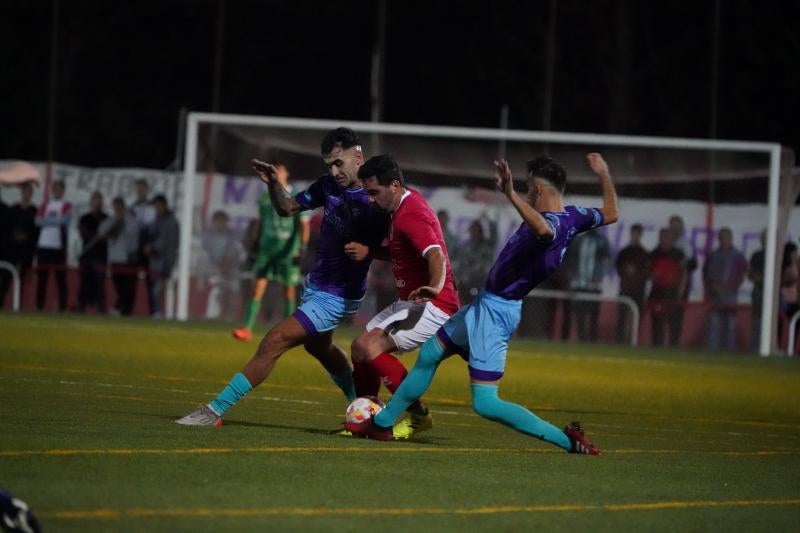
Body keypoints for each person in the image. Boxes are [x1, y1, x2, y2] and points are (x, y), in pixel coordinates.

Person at [346, 153, 618, 456]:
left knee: (486, 403)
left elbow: (543, 230)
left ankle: (568, 441)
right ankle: (381, 424)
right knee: (430, 354)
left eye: (528, 190)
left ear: (537, 191)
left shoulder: (552, 225)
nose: (527, 194)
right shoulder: (575, 216)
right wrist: (604, 173)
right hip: (483, 305)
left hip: (497, 312)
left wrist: (510, 194)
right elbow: (610, 213)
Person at [176, 127, 389, 427]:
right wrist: (274, 184)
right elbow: (287, 207)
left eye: (339, 162)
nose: (334, 170)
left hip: (338, 295)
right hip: (316, 287)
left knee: (275, 340)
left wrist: (371, 251)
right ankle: (365, 405)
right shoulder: (328, 186)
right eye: (329, 163)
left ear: (358, 156)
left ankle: (214, 411)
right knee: (319, 347)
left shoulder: (373, 198)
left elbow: (396, 243)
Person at [347, 154, 460, 438]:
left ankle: (416, 416)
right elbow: (403, 251)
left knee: (370, 347)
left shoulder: (411, 214)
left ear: (394, 186)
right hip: (413, 301)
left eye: (374, 193)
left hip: (434, 304)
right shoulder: (402, 207)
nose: (371, 200)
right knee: (359, 349)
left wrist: (434, 287)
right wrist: (371, 252)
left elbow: (435, 254)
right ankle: (367, 416)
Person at [232, 163, 310, 340]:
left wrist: (302, 248)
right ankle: (247, 328)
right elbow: (260, 221)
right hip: (266, 251)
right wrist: (254, 243)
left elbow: (303, 225)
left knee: (288, 291)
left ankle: (290, 332)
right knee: (257, 287)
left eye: (280, 170)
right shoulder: (265, 197)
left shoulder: (296, 195)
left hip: (287, 251)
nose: (277, 173)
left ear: (286, 173)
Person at [703, 228, 748, 351]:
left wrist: (731, 287)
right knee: (714, 324)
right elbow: (706, 273)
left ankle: (729, 351)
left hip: (730, 295)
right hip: (714, 295)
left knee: (730, 324)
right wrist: (711, 288)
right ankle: (712, 351)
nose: (725, 240)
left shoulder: (738, 256)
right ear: (719, 239)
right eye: (722, 237)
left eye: (727, 237)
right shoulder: (713, 255)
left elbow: (742, 274)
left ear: (731, 238)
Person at [564, 228, 610, 342]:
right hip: (579, 284)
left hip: (594, 285)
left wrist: (600, 274)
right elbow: (569, 258)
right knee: (579, 313)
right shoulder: (578, 240)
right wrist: (570, 273)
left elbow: (607, 259)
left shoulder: (602, 241)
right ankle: (582, 338)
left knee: (593, 314)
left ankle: (592, 339)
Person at [99, 197, 140, 316]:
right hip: (114, 258)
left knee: (128, 287)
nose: (117, 209)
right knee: (118, 286)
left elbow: (131, 232)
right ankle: (121, 308)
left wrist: (120, 223)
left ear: (123, 206)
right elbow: (102, 231)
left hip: (128, 259)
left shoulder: (131, 220)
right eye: (115, 206)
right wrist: (114, 226)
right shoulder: (111, 220)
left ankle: (123, 309)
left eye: (119, 206)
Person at [35, 180, 72, 311]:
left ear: (63, 191)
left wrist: (47, 221)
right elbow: (37, 222)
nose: (57, 191)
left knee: (60, 279)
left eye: (59, 188)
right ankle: (39, 307)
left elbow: (65, 221)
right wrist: (55, 221)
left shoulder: (66, 205)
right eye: (55, 188)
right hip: (43, 246)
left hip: (58, 247)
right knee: (42, 279)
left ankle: (62, 307)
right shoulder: (45, 205)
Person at [201, 210, 244, 320]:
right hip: (215, 269)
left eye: (222, 221)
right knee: (215, 290)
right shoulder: (209, 236)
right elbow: (206, 253)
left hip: (232, 269)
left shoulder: (232, 236)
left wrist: (226, 265)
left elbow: (234, 252)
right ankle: (212, 314)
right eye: (217, 221)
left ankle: (229, 315)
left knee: (232, 292)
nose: (219, 224)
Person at [0, 182, 38, 307]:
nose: (27, 193)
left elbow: (35, 233)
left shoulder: (34, 211)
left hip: (26, 251)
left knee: (21, 280)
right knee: (5, 278)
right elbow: (6, 229)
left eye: (30, 191)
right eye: (26, 190)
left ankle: (18, 307)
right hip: (10, 251)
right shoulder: (13, 210)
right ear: (22, 192)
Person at [648, 228, 686, 346]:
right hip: (657, 293)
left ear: (672, 238)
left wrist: (680, 292)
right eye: (662, 236)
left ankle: (673, 346)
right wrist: (653, 274)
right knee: (657, 322)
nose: (664, 239)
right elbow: (648, 273)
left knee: (673, 322)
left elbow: (684, 274)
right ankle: (657, 346)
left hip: (673, 293)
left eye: (666, 237)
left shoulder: (679, 254)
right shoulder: (654, 254)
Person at [143, 194, 179, 318]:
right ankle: (156, 311)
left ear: (164, 205)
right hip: (154, 260)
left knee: (158, 289)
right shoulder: (155, 221)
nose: (156, 208)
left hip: (164, 261)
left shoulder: (171, 222)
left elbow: (168, 243)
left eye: (158, 206)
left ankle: (160, 312)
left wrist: (152, 247)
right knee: (154, 288)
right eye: (155, 206)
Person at [615, 223, 650, 343]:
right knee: (622, 317)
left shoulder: (644, 254)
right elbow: (618, 268)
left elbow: (647, 273)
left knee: (636, 318)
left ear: (640, 235)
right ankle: (620, 341)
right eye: (633, 233)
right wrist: (626, 270)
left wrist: (636, 272)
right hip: (625, 289)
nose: (635, 236)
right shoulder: (624, 252)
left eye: (637, 234)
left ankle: (633, 340)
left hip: (638, 291)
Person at [77, 191, 109, 313]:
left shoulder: (106, 218)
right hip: (86, 255)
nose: (97, 202)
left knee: (100, 284)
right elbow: (83, 233)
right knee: (84, 283)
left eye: (99, 200)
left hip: (100, 256)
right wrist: (96, 236)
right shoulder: (85, 218)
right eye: (94, 200)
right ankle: (82, 307)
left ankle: (101, 308)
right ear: (91, 202)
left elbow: (108, 237)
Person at [456, 215, 497, 305]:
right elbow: (461, 266)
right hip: (467, 285)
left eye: (476, 231)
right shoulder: (467, 247)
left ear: (480, 232)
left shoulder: (486, 245)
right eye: (472, 231)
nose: (473, 233)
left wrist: (488, 219)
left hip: (481, 283)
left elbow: (494, 235)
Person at [668, 215, 697, 342]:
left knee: (676, 315)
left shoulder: (685, 245)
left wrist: (682, 287)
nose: (675, 229)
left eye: (677, 227)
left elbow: (689, 266)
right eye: (672, 226)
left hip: (680, 285)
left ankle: (674, 341)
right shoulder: (666, 243)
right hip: (665, 285)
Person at [131, 179, 156, 314]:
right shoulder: (132, 207)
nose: (140, 191)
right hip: (135, 247)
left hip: (147, 247)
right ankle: (127, 310)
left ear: (146, 190)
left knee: (150, 281)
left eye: (142, 189)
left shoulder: (152, 207)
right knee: (131, 280)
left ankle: (153, 310)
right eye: (138, 189)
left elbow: (151, 227)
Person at [748, 231, 765, 352]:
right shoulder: (757, 255)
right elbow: (750, 274)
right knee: (757, 321)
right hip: (758, 291)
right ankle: (756, 349)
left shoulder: (780, 255)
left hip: (777, 294)